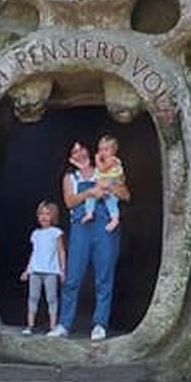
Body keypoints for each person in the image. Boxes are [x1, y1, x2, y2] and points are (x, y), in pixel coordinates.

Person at [48, 138, 130, 342]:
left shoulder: (106, 169)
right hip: (81, 229)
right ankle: (64, 324)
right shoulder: (71, 177)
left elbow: (126, 195)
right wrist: (90, 192)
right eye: (74, 151)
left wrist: (111, 186)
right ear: (70, 157)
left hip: (104, 229)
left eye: (81, 149)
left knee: (104, 276)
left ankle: (100, 324)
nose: (80, 153)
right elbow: (69, 202)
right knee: (72, 277)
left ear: (88, 150)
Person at [20, 200, 66, 335]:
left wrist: (62, 270)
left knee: (51, 298)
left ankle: (52, 326)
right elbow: (34, 252)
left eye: (47, 214)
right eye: (41, 214)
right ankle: (30, 326)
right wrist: (27, 270)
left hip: (51, 271)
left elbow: (61, 251)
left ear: (53, 216)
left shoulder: (56, 232)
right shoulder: (35, 233)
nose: (44, 217)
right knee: (33, 297)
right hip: (36, 270)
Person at [82, 134, 124, 232]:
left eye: (106, 150)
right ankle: (89, 213)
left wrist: (97, 159)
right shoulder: (105, 161)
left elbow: (102, 169)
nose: (102, 153)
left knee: (111, 203)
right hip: (101, 186)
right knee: (91, 195)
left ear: (114, 151)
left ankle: (115, 219)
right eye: (100, 150)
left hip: (111, 183)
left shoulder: (113, 160)